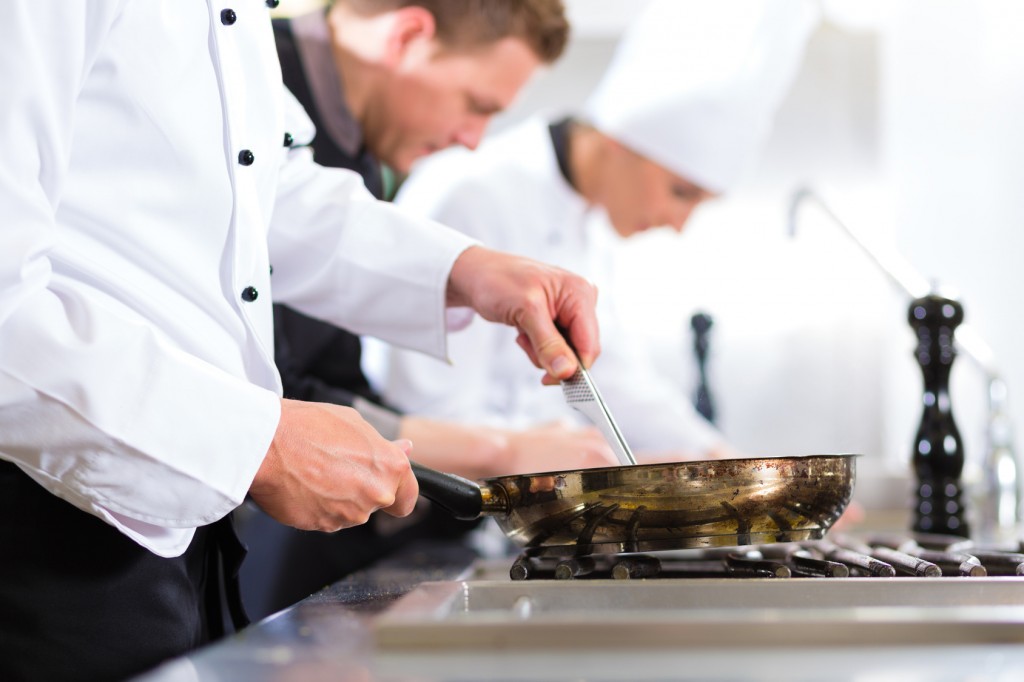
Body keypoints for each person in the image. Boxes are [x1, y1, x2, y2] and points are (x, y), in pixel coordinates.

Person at [0, 3, 601, 681]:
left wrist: (463, 268)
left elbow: (260, 192)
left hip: (175, 540)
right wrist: (257, 440)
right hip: (38, 520)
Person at [233, 0, 619, 621]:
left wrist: (470, 270)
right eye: (477, 105)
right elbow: (279, 392)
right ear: (408, 35)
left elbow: (330, 374)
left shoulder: (346, 140)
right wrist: (499, 451)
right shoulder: (257, 75)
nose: (472, 140)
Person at [369, 0, 818, 458]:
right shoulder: (471, 194)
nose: (678, 224)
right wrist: (547, 453)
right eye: (680, 192)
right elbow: (428, 413)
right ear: (621, 143)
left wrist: (724, 463)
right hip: (425, 514)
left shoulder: (590, 219)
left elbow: (618, 378)